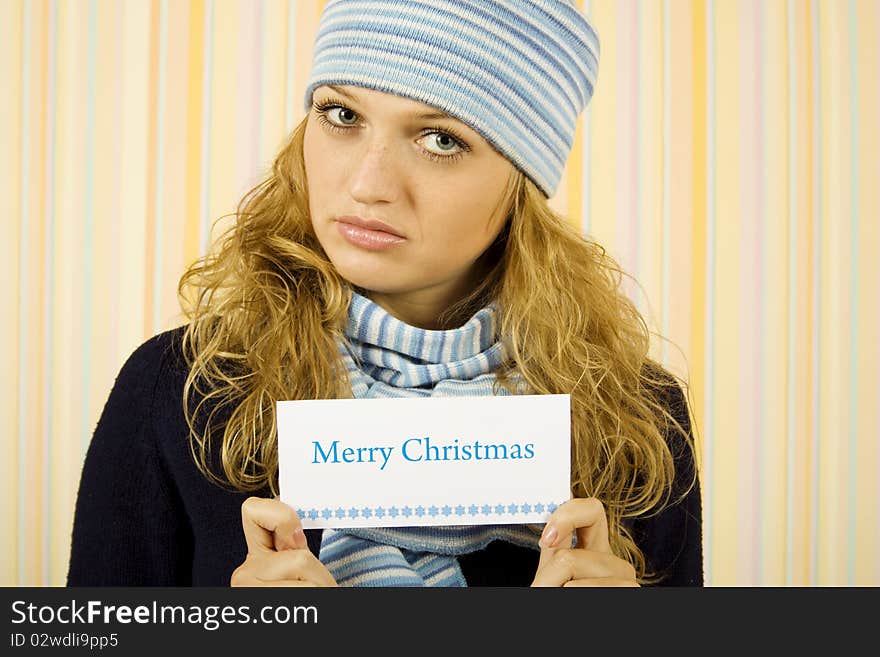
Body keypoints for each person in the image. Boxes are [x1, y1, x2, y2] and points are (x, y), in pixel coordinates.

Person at [67, 0, 702, 588]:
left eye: (441, 139)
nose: (369, 184)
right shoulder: (182, 388)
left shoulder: (637, 416)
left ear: (520, 184)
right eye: (342, 116)